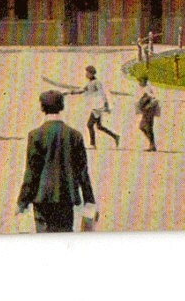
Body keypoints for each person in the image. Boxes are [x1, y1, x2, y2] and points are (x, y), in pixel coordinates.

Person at [16, 90, 96, 233]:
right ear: (62, 107)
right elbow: (82, 172)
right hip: (66, 198)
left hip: (42, 198)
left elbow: (32, 172)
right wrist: (89, 199)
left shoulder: (35, 135)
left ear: (42, 108)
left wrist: (22, 202)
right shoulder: (75, 135)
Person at [66, 65, 119, 148]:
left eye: (88, 73)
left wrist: (105, 104)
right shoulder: (90, 83)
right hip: (95, 105)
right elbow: (82, 90)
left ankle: (92, 144)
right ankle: (115, 136)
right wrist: (70, 92)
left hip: (98, 106)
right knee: (99, 126)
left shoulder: (96, 82)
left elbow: (102, 93)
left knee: (89, 124)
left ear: (92, 74)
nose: (86, 74)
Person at [134, 75, 160, 151]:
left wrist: (148, 105)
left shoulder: (149, 88)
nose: (139, 83)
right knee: (142, 127)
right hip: (145, 111)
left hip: (149, 110)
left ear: (144, 81)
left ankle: (152, 145)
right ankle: (152, 144)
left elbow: (155, 99)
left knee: (147, 127)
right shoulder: (144, 88)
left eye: (140, 81)